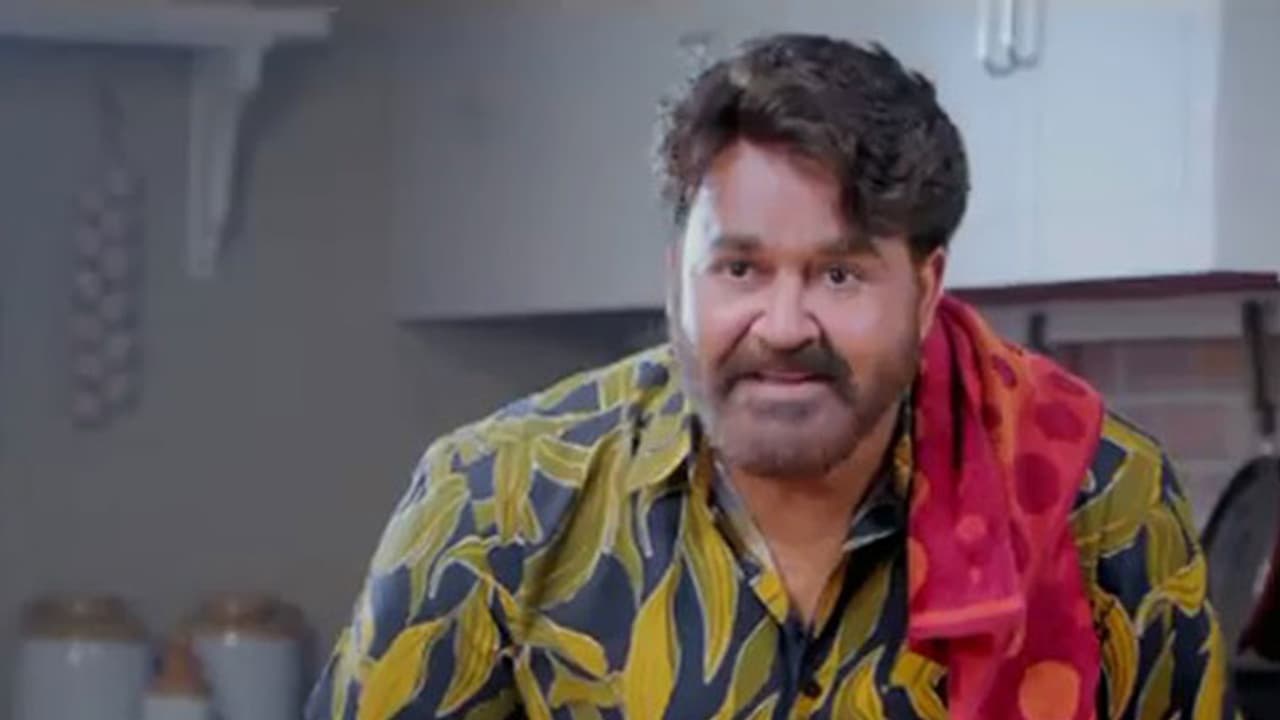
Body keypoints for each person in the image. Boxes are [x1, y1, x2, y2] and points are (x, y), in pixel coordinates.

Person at [306, 33, 1237, 720]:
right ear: (677, 276)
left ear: (926, 287)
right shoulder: (495, 499)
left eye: (839, 275)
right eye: (741, 268)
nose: (784, 328)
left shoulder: (1098, 503)